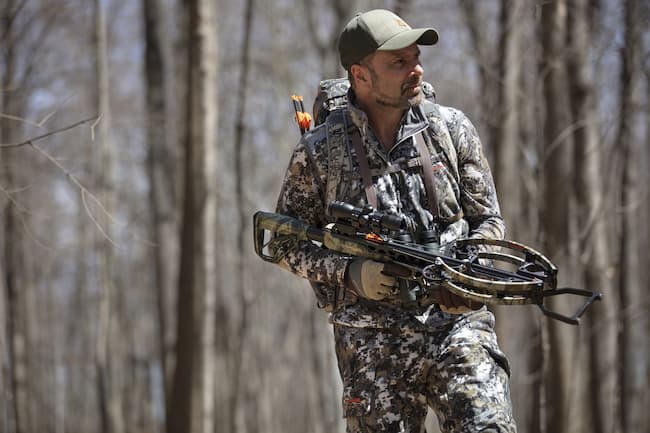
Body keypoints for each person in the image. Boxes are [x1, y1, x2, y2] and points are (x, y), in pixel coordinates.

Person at [274, 9, 516, 433]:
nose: (416, 69)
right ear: (360, 75)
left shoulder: (451, 129)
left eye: (416, 58)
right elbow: (281, 242)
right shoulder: (319, 152)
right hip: (370, 345)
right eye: (399, 63)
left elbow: (489, 221)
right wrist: (349, 273)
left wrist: (464, 273)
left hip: (458, 329)